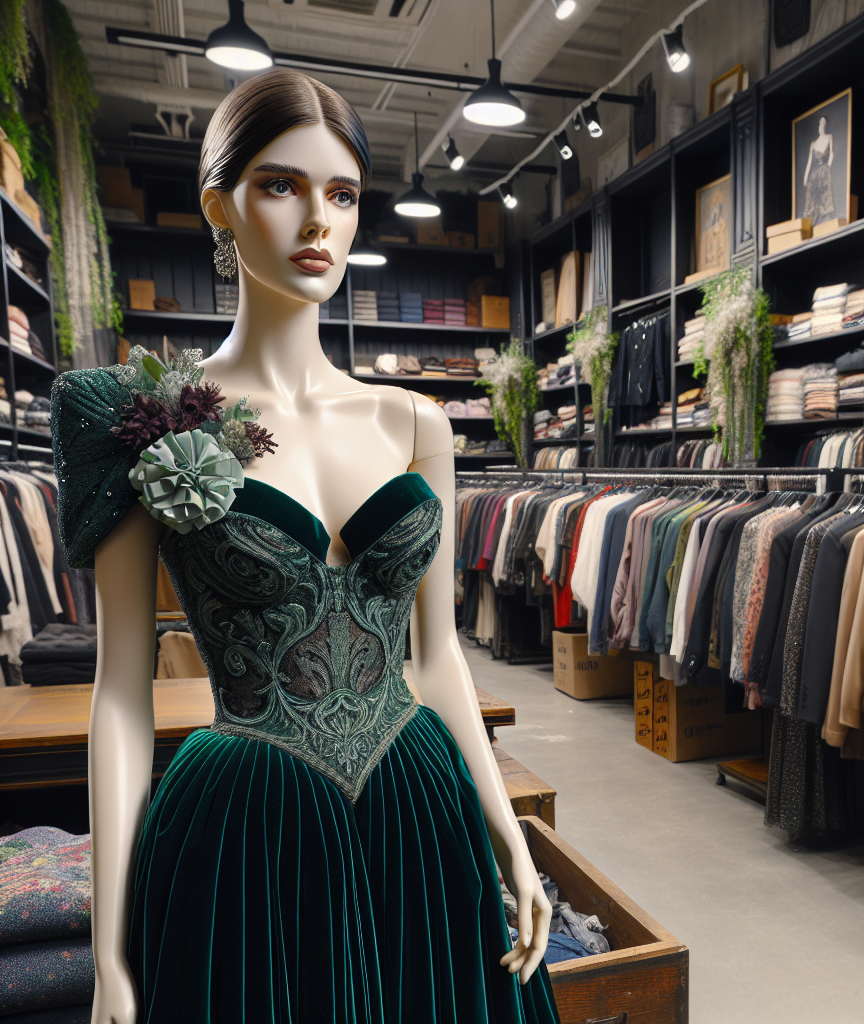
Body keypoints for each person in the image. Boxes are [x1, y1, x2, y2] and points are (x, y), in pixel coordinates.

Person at [52, 69, 559, 1024]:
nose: (318, 221)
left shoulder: (415, 421)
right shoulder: (140, 417)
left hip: (416, 804)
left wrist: (513, 841)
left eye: (342, 193)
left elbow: (436, 654)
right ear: (221, 206)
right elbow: (119, 693)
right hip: (248, 823)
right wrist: (109, 954)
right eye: (282, 186)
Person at [802, 114, 836, 225]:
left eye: (823, 123)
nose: (821, 126)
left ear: (825, 125)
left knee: (825, 198)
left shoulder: (829, 137)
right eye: (820, 124)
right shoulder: (813, 144)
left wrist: (827, 167)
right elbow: (809, 162)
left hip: (824, 173)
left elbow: (831, 154)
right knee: (812, 202)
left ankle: (826, 223)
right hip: (814, 175)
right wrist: (805, 178)